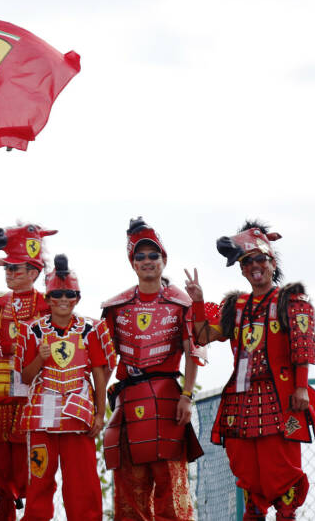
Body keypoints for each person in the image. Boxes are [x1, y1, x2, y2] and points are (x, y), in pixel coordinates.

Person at [185, 221, 315, 521]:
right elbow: (201, 336)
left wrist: (301, 387)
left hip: (279, 399)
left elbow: (301, 345)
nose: (254, 266)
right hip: (241, 403)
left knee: (284, 478)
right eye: (246, 261)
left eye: (259, 259)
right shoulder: (235, 306)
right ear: (241, 269)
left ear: (272, 262)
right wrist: (198, 301)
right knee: (250, 483)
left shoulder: (290, 301)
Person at [101, 217, 203, 520]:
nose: (147, 261)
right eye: (140, 256)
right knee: (129, 492)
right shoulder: (116, 307)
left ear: (164, 259)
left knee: (172, 487)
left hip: (168, 400)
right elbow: (104, 362)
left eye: (153, 255)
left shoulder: (181, 303)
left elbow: (193, 351)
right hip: (128, 400)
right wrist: (96, 409)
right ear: (132, 263)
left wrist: (187, 396)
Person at [15, 254, 116, 521]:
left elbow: (99, 372)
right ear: (47, 299)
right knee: (39, 483)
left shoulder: (92, 329)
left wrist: (99, 413)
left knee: (83, 485)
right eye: (56, 294)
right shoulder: (31, 331)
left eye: (69, 294)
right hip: (41, 414)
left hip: (78, 413)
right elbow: (24, 378)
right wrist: (41, 357)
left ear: (77, 298)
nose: (63, 299)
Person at [0, 222, 56, 519]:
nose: (10, 275)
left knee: (35, 478)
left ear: (34, 273)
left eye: (17, 269)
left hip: (34, 403)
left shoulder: (49, 305)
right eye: (7, 269)